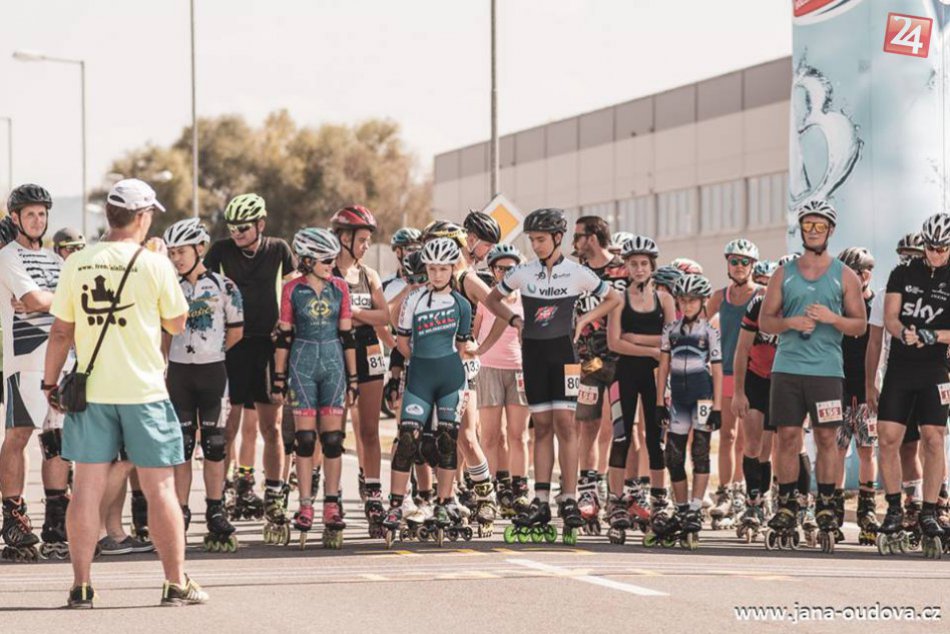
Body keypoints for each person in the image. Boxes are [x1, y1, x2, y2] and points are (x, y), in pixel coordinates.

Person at [44, 178, 206, 607]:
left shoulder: (77, 261)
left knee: (86, 490)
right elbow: (177, 323)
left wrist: (49, 382)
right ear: (140, 217)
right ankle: (175, 583)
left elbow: (61, 331)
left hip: (92, 390)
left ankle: (81, 586)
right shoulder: (155, 264)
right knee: (161, 490)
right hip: (144, 391)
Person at [484, 208, 621, 541]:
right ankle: (541, 499)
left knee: (566, 425)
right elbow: (492, 298)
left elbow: (614, 297)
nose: (536, 245)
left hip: (565, 356)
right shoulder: (523, 272)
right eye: (531, 240)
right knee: (542, 426)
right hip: (533, 355)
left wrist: (586, 320)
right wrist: (515, 320)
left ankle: (569, 498)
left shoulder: (577, 273)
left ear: (558, 238)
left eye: (541, 240)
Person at [759, 200, 867, 552]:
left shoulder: (844, 275)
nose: (814, 231)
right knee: (787, 437)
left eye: (820, 226)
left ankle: (825, 505)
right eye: (809, 226)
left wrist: (831, 318)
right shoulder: (784, 273)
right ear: (802, 229)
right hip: (787, 369)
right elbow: (765, 321)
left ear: (830, 231)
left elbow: (860, 324)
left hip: (826, 372)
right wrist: (789, 322)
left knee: (826, 439)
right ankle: (788, 504)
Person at [204, 193, 294, 527]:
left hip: (268, 348)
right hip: (233, 347)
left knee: (271, 427)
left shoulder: (279, 249)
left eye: (244, 227)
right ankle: (221, 494)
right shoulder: (220, 251)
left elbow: (291, 290)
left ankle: (273, 496)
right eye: (232, 227)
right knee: (227, 429)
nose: (237, 233)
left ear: (260, 224)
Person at [382, 238, 473, 543]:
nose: (436, 275)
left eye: (442, 269)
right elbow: (402, 343)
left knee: (447, 440)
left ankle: (445, 501)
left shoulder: (462, 304)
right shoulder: (414, 300)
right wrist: (419, 365)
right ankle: (396, 504)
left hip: (451, 378)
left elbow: (462, 347)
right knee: (408, 438)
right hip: (419, 376)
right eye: (431, 269)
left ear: (452, 269)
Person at [419, 213, 505, 533]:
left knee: (466, 437)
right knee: (444, 438)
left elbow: (501, 308)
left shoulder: (468, 278)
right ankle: (449, 498)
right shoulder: (435, 278)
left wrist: (479, 347)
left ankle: (486, 497)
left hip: (462, 367)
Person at [273, 228, 358, 549]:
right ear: (307, 260)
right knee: (305, 440)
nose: (330, 263)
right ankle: (305, 504)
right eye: (324, 259)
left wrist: (352, 378)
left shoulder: (340, 288)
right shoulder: (291, 290)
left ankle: (332, 504)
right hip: (302, 363)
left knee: (333, 440)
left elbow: (348, 336)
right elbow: (284, 336)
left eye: (333, 258)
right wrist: (279, 378)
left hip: (334, 362)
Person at [162, 218, 244, 552]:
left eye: (181, 251)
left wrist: (214, 352)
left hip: (213, 372)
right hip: (179, 374)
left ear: (200, 248)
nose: (176, 258)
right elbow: (164, 334)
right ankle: (179, 513)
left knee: (214, 445)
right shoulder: (168, 286)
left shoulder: (225, 287)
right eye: (171, 253)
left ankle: (215, 509)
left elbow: (236, 331)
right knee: (180, 446)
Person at [0, 184, 71, 562]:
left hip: (61, 359)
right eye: (29, 214)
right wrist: (45, 301)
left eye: (42, 213)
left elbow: (56, 303)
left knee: (58, 438)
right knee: (19, 435)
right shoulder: (7, 256)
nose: (37, 219)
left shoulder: (57, 261)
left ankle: (57, 521)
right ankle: (13, 517)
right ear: (15, 218)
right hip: (24, 359)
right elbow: (32, 300)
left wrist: (46, 302)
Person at [875, 214, 950, 557]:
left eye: (942, 248)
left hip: (936, 367)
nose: (935, 254)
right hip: (901, 367)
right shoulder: (903, 273)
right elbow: (890, 315)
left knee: (934, 439)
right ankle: (893, 508)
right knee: (888, 437)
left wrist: (932, 334)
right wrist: (902, 331)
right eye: (931, 247)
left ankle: (931, 511)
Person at [605, 235, 675, 543]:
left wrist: (637, 339)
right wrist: (650, 349)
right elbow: (614, 342)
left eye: (644, 264)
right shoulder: (618, 298)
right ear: (626, 267)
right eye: (633, 263)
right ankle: (617, 501)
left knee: (656, 441)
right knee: (621, 438)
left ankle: (659, 500)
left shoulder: (666, 299)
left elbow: (670, 340)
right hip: (624, 375)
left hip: (657, 378)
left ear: (652, 267)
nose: (639, 268)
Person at [329, 206, 390, 535]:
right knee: (335, 431)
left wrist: (355, 314)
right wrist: (350, 316)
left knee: (368, 430)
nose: (367, 246)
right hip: (336, 352)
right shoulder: (328, 273)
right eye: (362, 240)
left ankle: (374, 496)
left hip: (369, 352)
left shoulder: (370, 276)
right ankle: (333, 497)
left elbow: (384, 317)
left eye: (368, 240)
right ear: (344, 238)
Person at [651, 274, 722, 548]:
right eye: (682, 299)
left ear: (702, 301)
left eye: (692, 300)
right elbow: (663, 367)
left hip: (702, 397)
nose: (687, 304)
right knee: (673, 455)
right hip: (678, 399)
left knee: (700, 452)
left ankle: (694, 508)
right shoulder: (670, 329)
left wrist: (717, 406)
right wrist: (659, 402)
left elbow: (716, 369)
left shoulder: (710, 332)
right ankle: (681, 508)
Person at [571, 216, 629, 534]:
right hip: (587, 361)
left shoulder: (622, 269)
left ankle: (616, 490)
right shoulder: (575, 272)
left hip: (621, 358)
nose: (575, 243)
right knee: (588, 423)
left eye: (578, 236)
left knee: (616, 426)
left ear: (592, 237)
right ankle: (587, 489)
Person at [706, 239, 761, 528]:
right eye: (734, 261)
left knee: (749, 438)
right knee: (726, 435)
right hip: (726, 371)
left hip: (755, 372)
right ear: (727, 264)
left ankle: (744, 489)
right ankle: (725, 491)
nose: (739, 267)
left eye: (745, 262)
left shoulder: (762, 295)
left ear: (753, 265)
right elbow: (699, 327)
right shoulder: (719, 297)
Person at [474, 244, 530, 518]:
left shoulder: (528, 299)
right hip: (488, 368)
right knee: (491, 435)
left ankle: (518, 490)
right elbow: (474, 336)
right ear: (493, 271)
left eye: (512, 268)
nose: (507, 273)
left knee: (518, 435)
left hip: (520, 370)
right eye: (501, 268)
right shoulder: (488, 299)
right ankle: (489, 491)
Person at [732, 259, 781, 540]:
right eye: (760, 282)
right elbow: (741, 350)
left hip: (782, 379)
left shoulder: (792, 306)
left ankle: (768, 496)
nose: (764, 288)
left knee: (768, 446)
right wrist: (738, 392)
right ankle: (753, 501)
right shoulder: (756, 306)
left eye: (769, 283)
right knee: (751, 440)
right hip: (755, 377)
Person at [833, 247, 878, 544]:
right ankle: (834, 510)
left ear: (867, 274)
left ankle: (867, 510)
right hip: (839, 385)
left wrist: (873, 386)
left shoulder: (876, 306)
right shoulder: (838, 305)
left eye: (859, 272)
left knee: (866, 449)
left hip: (865, 387)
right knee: (837, 448)